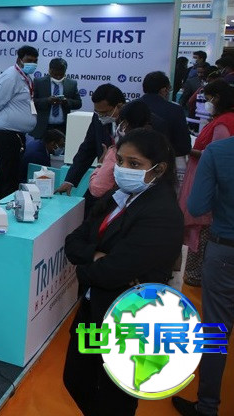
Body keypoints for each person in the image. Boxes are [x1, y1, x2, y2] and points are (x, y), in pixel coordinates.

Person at [63, 128, 183, 416]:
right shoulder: (118, 196)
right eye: (120, 161)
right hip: (94, 308)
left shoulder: (162, 213)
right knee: (76, 380)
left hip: (128, 319)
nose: (123, 169)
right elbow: (73, 242)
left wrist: (86, 267)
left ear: (158, 170)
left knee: (115, 398)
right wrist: (95, 257)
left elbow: (113, 271)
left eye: (134, 164)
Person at [172, 136, 234, 416]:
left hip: (226, 250)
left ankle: (207, 407)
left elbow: (196, 206)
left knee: (216, 331)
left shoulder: (218, 153)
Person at [177, 79, 234, 286]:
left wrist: (188, 150)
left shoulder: (223, 123)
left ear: (218, 98)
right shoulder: (225, 120)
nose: (206, 104)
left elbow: (216, 155)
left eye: (208, 99)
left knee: (201, 228)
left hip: (209, 185)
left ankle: (195, 275)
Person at [0, 45, 39, 202]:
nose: (32, 64)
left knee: (8, 174)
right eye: (29, 60)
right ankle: (0, 207)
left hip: (15, 134)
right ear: (19, 59)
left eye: (35, 61)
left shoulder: (26, 78)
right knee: (8, 175)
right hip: (6, 133)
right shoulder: (10, 77)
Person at [55, 83, 125, 199]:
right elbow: (87, 149)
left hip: (123, 183)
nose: (101, 116)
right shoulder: (97, 118)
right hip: (103, 177)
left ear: (119, 106)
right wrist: (69, 181)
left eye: (105, 113)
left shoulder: (134, 122)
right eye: (98, 112)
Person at [87, 99, 152, 198]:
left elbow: (97, 189)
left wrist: (100, 165)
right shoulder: (156, 146)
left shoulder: (117, 152)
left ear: (124, 124)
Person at [140, 71, 191, 158]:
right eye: (169, 89)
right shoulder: (175, 110)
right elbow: (184, 147)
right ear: (163, 90)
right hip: (163, 160)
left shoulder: (130, 107)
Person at [30, 57, 82, 138]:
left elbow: (78, 103)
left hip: (63, 128)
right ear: (50, 70)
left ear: (65, 71)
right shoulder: (39, 82)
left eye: (61, 75)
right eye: (55, 74)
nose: (58, 77)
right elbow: (31, 102)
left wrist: (66, 102)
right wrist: (47, 101)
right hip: (43, 128)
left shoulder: (72, 84)